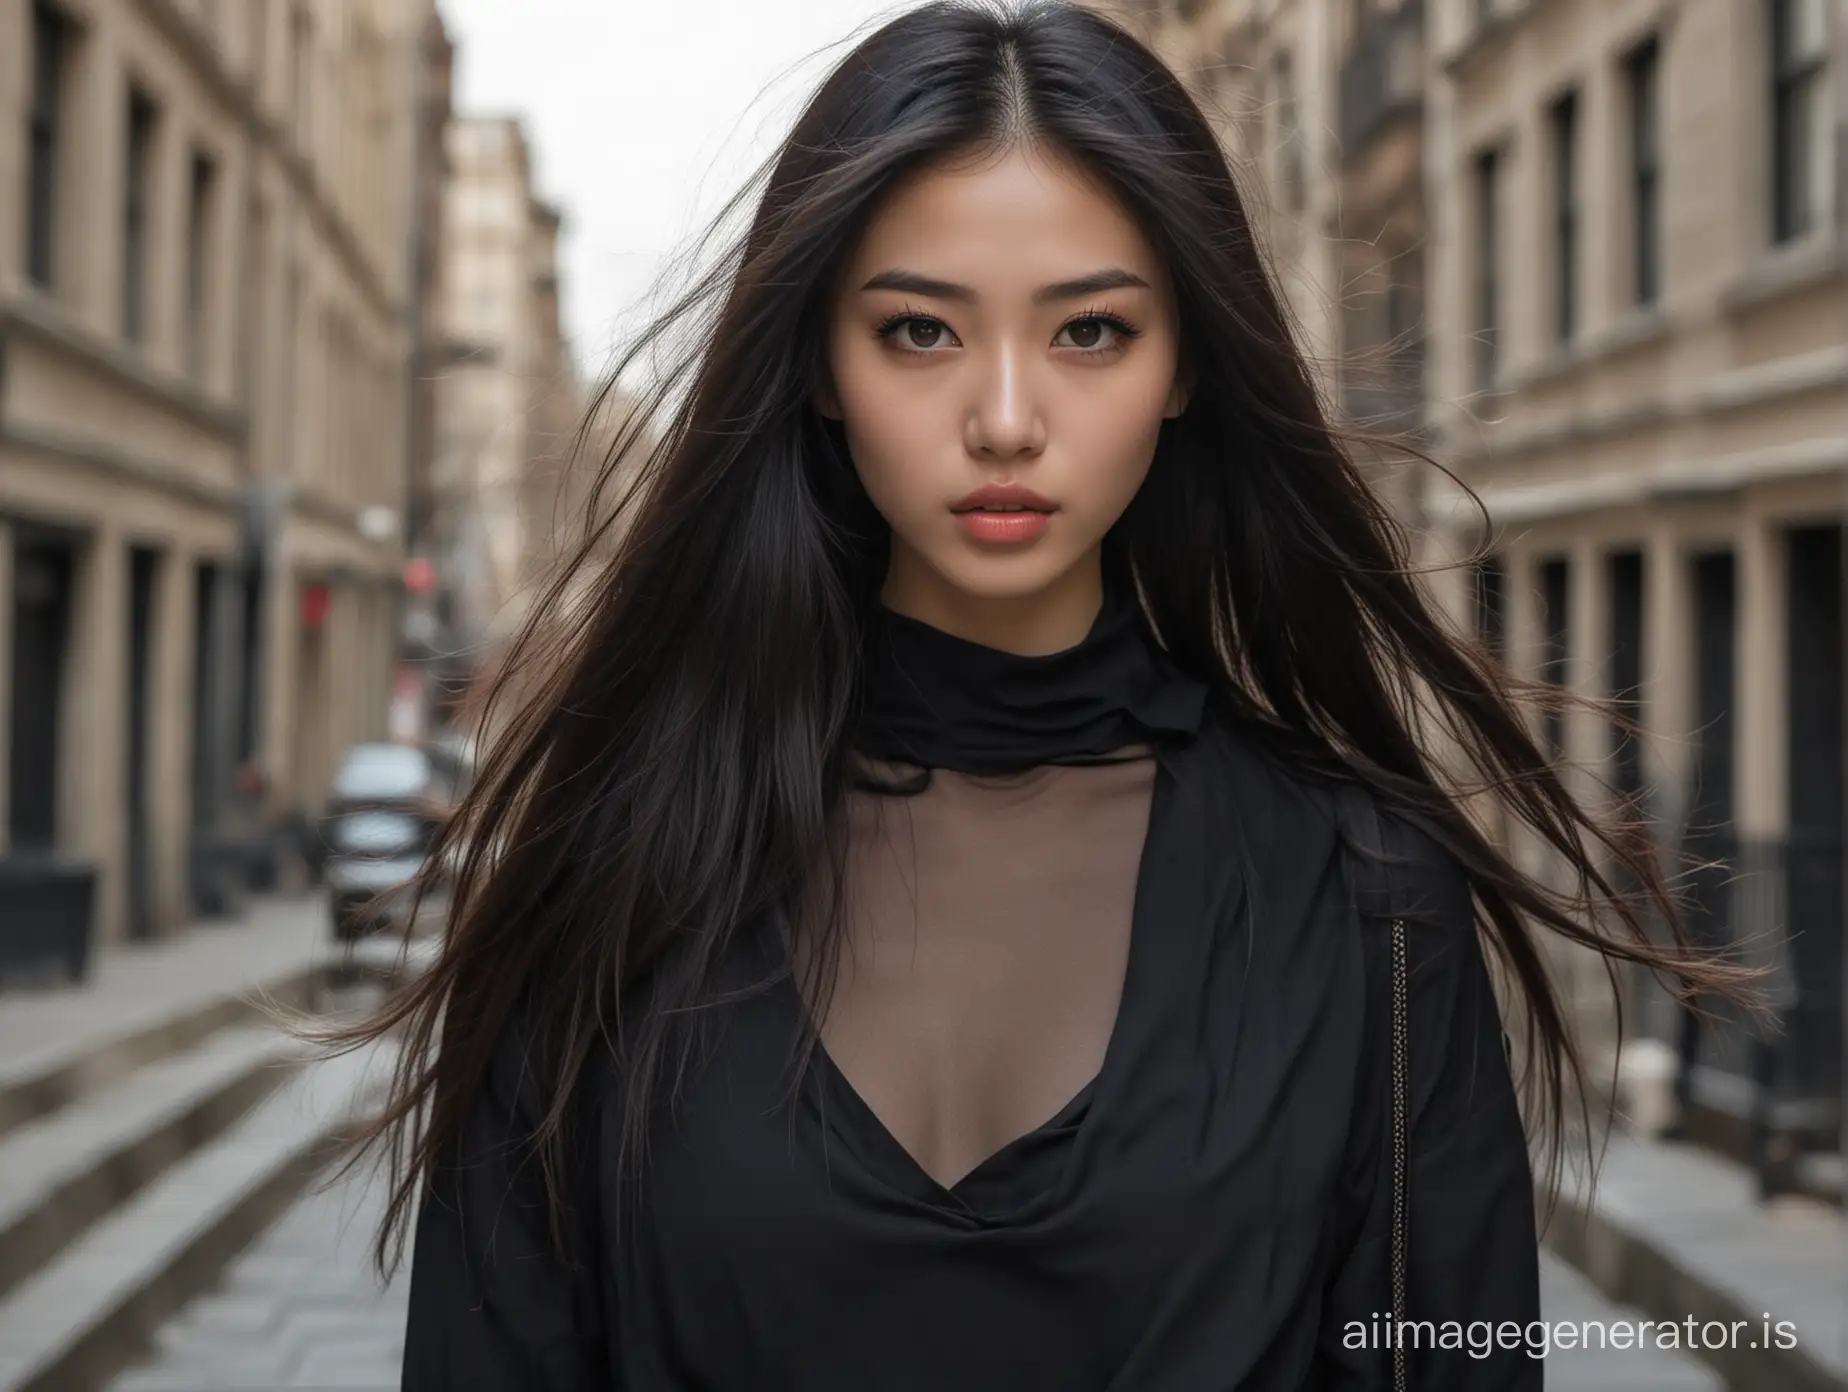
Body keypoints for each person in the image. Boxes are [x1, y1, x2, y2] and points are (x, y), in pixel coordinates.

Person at [311, 3, 1757, 1386]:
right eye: (921, 332)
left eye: (1090, 333)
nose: (1006, 421)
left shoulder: (1367, 893)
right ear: (821, 365)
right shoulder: (610, 875)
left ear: (1185, 366)